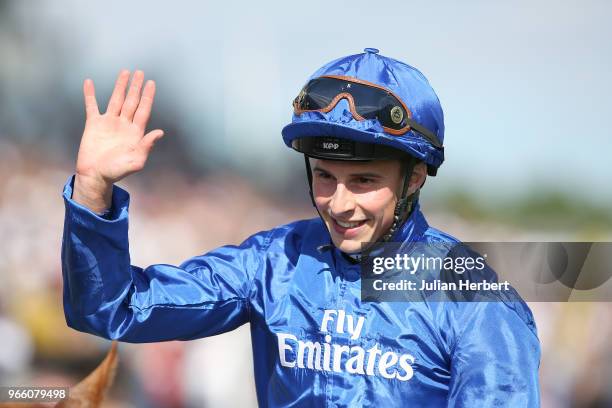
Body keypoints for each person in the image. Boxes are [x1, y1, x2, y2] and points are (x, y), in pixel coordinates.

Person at [61, 48, 541, 407]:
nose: (340, 204)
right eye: (324, 177)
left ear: (414, 178)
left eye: (365, 181)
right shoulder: (274, 262)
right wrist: (91, 190)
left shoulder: (474, 298)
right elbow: (112, 310)